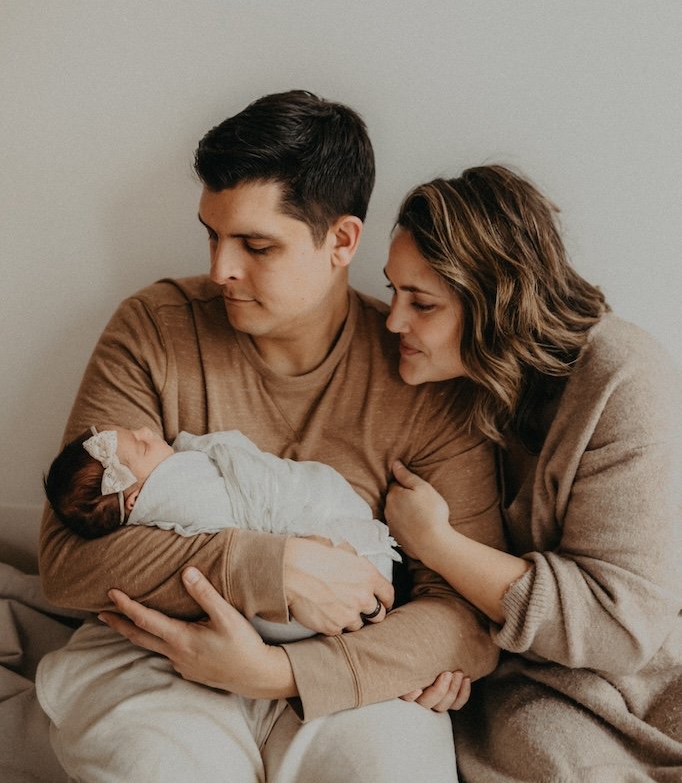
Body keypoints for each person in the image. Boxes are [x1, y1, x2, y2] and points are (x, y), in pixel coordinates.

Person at [37, 91, 504, 783]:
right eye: (212, 235)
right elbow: (67, 560)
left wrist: (282, 671)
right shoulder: (155, 327)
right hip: (160, 654)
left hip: (345, 665)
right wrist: (265, 567)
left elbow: (467, 616)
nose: (222, 269)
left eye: (256, 246)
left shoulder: (425, 369)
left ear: (343, 241)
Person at [381, 165, 682, 782]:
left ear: (496, 301)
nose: (393, 321)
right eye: (393, 292)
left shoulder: (623, 380)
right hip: (507, 679)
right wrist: (442, 643)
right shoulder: (435, 383)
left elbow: (625, 628)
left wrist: (438, 542)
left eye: (422, 303)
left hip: (639, 681)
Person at [43, 423, 399, 640]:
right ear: (135, 500)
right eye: (142, 445)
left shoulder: (161, 490)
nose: (148, 432)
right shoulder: (180, 491)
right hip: (317, 580)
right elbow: (242, 503)